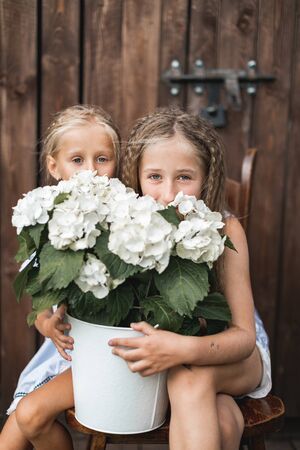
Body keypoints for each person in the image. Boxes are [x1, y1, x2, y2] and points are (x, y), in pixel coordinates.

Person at [108, 107, 272, 450]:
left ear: (207, 177)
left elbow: (243, 337)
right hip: (170, 363)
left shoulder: (225, 231)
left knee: (188, 377)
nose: (168, 194)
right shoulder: (126, 231)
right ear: (135, 175)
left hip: (235, 357)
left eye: (185, 177)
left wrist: (183, 348)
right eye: (154, 177)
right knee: (223, 420)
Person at [0, 104, 121, 450]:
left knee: (30, 415)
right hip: (65, 349)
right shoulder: (47, 221)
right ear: (54, 166)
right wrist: (45, 324)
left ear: (116, 162)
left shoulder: (124, 216)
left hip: (104, 349)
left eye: (102, 159)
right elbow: (40, 298)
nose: (91, 171)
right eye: (77, 160)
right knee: (11, 438)